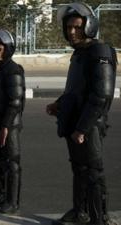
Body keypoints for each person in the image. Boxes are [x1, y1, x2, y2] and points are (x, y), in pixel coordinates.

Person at [46, 2, 117, 225]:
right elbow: (77, 89)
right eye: (69, 27)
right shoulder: (80, 53)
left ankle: (99, 219)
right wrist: (59, 103)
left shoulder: (100, 51)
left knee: (93, 172)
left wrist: (82, 128)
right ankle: (80, 212)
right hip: (76, 122)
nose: (72, 31)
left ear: (89, 26)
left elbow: (101, 96)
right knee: (79, 169)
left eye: (77, 27)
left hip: (89, 125)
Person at [0, 30, 25, 215]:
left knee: (11, 163)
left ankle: (12, 201)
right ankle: (2, 194)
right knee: (0, 161)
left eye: (0, 49)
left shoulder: (13, 70)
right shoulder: (0, 69)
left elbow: (15, 102)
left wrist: (6, 126)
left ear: (8, 50)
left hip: (10, 126)